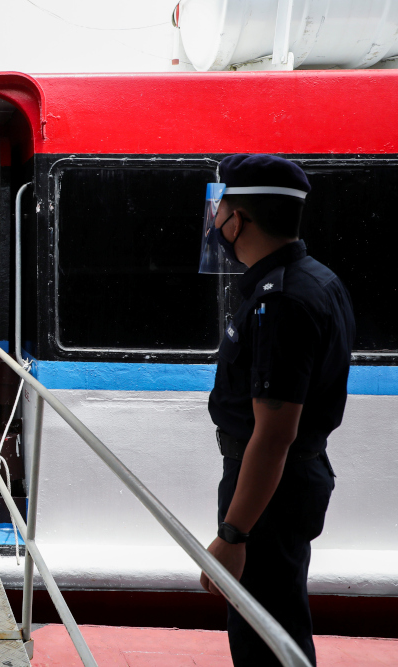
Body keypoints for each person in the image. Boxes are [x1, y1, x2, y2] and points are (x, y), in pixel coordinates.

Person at [196, 155, 354, 666]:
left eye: (221, 213)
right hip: (285, 484)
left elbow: (274, 434)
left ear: (236, 220)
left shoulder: (279, 302)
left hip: (267, 493)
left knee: (263, 635)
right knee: (277, 620)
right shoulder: (317, 280)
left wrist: (233, 535)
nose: (217, 225)